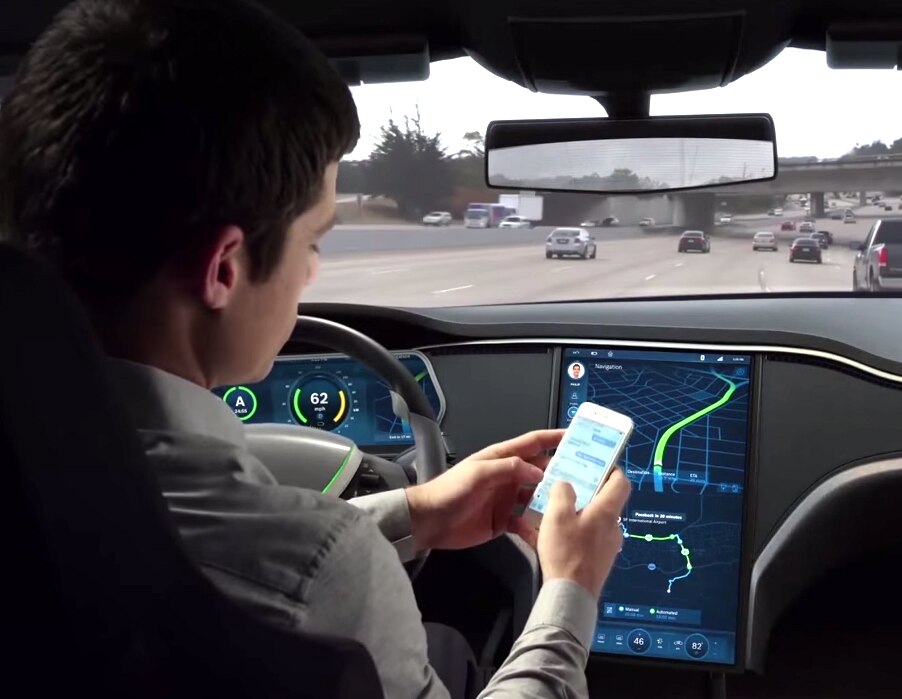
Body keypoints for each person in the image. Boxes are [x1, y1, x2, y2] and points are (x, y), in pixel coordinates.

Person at [0, 1, 630, 698]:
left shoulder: (43, 466)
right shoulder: (326, 573)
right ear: (223, 270)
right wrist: (571, 589)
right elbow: (281, 570)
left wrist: (412, 512)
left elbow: (191, 555)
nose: (312, 273)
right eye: (314, 241)